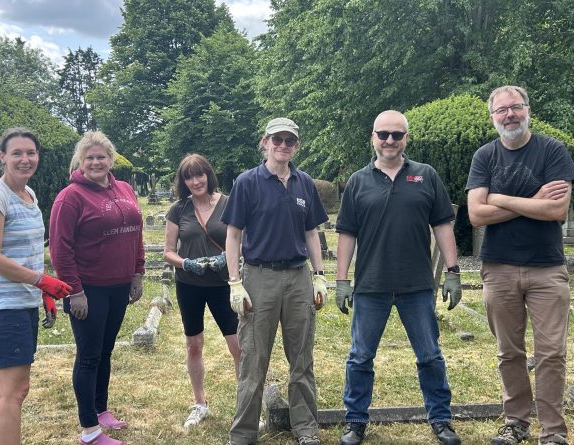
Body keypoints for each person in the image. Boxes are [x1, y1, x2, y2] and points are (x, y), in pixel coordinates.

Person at [335, 110, 462, 445]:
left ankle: (441, 419)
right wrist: (342, 280)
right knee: (360, 357)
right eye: (383, 134)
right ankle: (356, 419)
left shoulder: (426, 176)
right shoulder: (358, 182)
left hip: (416, 284)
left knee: (430, 355)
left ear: (406, 138)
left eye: (396, 134)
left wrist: (453, 272)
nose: (389, 140)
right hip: (370, 286)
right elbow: (346, 234)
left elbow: (443, 226)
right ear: (372, 138)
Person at [466, 86, 574, 445]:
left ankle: (552, 431)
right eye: (502, 110)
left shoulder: (552, 150)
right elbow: (476, 214)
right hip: (498, 269)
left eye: (516, 107)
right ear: (493, 117)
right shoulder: (485, 156)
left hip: (546, 268)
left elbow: (556, 210)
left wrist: (498, 198)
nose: (510, 115)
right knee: (509, 352)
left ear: (528, 110)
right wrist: (531, 200)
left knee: (551, 353)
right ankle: (515, 422)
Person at [222, 117, 329, 445]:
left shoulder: (304, 182)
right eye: (276, 139)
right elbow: (233, 234)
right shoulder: (247, 182)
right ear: (264, 142)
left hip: (298, 278)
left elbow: (311, 232)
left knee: (301, 358)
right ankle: (243, 434)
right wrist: (234, 282)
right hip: (259, 277)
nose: (283, 145)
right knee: (254, 359)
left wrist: (320, 276)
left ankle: (306, 429)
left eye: (289, 140)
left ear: (296, 145)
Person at [0, 127, 72, 445]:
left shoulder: (29, 196)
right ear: (2, 157)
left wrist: (42, 291)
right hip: (3, 304)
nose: (25, 159)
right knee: (14, 392)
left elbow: (29, 255)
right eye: (16, 153)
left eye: (30, 153)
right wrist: (41, 280)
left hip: (24, 300)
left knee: (9, 388)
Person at [49, 131, 145, 445]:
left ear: (111, 159)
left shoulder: (125, 189)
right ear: (80, 160)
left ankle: (101, 410)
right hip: (87, 289)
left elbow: (136, 234)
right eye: (89, 157)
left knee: (105, 351)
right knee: (89, 356)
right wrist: (73, 291)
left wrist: (138, 273)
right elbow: (60, 249)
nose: (95, 162)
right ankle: (89, 430)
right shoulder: (70, 197)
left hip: (119, 286)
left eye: (101, 157)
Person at [163, 154, 241, 429]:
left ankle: (245, 406)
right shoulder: (178, 209)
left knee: (238, 347)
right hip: (190, 284)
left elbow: (244, 240)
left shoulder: (229, 203)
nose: (195, 181)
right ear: (183, 181)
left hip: (223, 284)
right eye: (189, 177)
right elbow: (168, 251)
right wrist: (186, 263)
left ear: (209, 175)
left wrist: (229, 259)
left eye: (200, 175)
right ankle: (199, 403)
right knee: (194, 345)